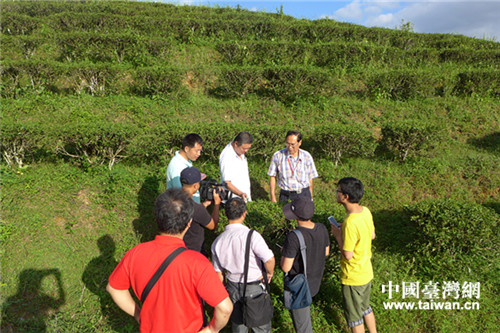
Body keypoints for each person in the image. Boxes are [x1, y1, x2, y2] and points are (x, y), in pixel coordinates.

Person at [107, 188, 233, 333]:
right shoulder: (197, 262)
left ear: (157, 219)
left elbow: (114, 288)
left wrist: (139, 314)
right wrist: (211, 330)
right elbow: (225, 308)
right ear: (188, 223)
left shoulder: (135, 253)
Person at [211, 197, 275, 333]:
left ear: (225, 214)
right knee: (261, 327)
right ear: (244, 213)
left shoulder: (218, 241)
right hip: (254, 289)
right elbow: (269, 259)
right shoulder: (252, 236)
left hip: (232, 288)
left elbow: (219, 274)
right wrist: (269, 273)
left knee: (238, 327)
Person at [330, 177, 377, 333]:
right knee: (366, 308)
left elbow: (348, 255)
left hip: (353, 276)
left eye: (338, 191)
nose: (336, 193)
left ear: (346, 197)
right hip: (365, 272)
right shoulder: (365, 211)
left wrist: (338, 235)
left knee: (355, 318)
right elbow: (372, 235)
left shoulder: (350, 222)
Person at [280, 197, 330, 333]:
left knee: (303, 327)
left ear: (296, 217)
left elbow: (285, 267)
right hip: (314, 282)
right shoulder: (322, 228)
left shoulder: (294, 236)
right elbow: (326, 252)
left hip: (300, 287)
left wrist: (284, 252)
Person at [267, 131, 318, 203]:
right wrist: (273, 197)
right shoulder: (278, 155)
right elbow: (272, 176)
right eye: (287, 144)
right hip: (285, 195)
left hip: (303, 194)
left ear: (299, 142)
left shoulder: (306, 156)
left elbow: (310, 179)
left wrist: (311, 198)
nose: (290, 147)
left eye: (293, 145)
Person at [181, 166, 221, 255]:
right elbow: (212, 225)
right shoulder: (196, 209)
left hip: (176, 250)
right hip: (193, 253)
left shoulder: (173, 202)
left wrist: (204, 204)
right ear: (195, 186)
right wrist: (217, 204)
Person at [166, 133, 204, 203]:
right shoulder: (177, 166)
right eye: (196, 150)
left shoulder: (186, 161)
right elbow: (180, 194)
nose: (199, 154)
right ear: (186, 149)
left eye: (200, 151)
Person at [219, 132, 253, 202]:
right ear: (236, 144)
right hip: (233, 200)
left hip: (244, 198)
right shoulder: (227, 156)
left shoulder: (239, 151)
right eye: (244, 148)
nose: (246, 151)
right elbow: (227, 183)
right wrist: (240, 193)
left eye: (248, 148)